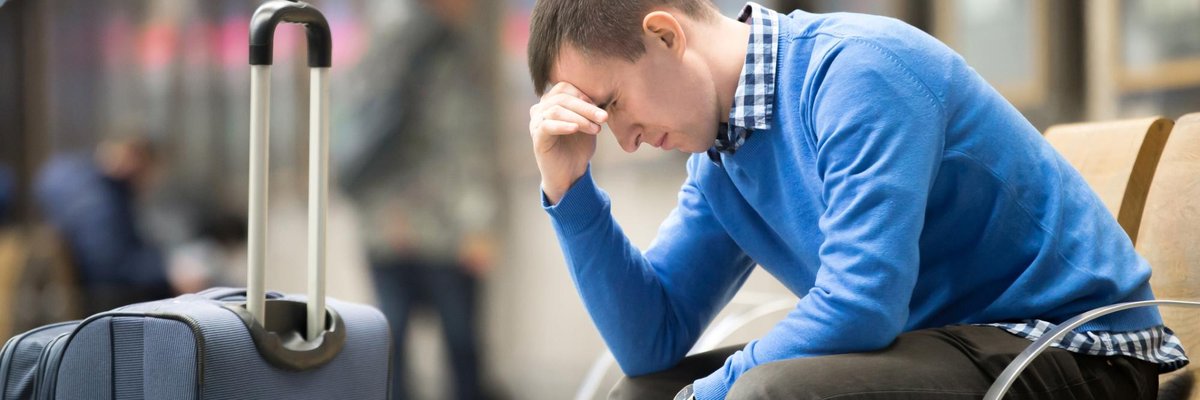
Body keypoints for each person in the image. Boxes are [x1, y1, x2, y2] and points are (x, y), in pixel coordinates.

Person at [524, 1, 1187, 399]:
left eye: (612, 106)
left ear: (666, 36)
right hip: (936, 346)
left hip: (1071, 349)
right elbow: (652, 342)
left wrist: (720, 388)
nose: (627, 142)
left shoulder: (857, 72)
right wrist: (570, 189)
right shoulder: (722, 157)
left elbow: (861, 304)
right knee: (640, 394)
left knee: (767, 395)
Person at [339, 0, 498, 398]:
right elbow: (466, 145)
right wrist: (479, 224)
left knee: (394, 346)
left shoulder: (376, 38)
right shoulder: (443, 51)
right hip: (442, 228)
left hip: (387, 225)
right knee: (460, 348)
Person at [34, 137, 173, 315]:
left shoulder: (72, 175)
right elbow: (110, 266)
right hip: (100, 305)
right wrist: (166, 272)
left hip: (93, 294)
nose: (147, 185)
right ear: (132, 158)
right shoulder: (97, 201)